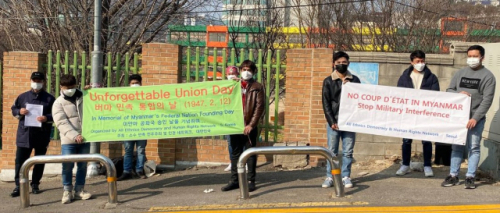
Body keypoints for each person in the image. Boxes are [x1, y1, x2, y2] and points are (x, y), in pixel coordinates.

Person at [442, 45, 496, 189]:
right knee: (456, 147)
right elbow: (449, 90)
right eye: (469, 56)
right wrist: (458, 95)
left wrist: (475, 118)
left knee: (474, 147)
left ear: (482, 58)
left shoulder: (488, 76)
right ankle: (453, 175)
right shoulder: (460, 73)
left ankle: (470, 177)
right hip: (458, 118)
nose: (471, 59)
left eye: (475, 56)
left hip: (475, 119)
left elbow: (487, 100)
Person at [221, 60, 265, 192]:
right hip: (235, 125)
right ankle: (235, 180)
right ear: (240, 71)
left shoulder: (257, 87)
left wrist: (251, 125)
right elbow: (222, 99)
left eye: (249, 70)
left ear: (253, 72)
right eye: (244, 69)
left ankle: (251, 180)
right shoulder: (235, 85)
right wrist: (230, 84)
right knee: (235, 154)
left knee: (250, 153)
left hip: (249, 126)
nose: (246, 72)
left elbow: (259, 107)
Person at [10, 72, 55, 197]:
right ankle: (19, 186)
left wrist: (46, 118)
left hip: (41, 134)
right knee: (20, 161)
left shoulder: (49, 98)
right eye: (34, 80)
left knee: (39, 161)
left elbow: (56, 114)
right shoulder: (22, 97)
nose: (37, 82)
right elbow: (13, 109)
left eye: (39, 80)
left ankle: (35, 184)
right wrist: (20, 111)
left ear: (43, 82)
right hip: (25, 134)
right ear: (30, 81)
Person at [395, 50, 439, 177]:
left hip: (425, 114)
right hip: (408, 114)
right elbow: (399, 95)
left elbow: (435, 95)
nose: (421, 63)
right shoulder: (404, 77)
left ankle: (427, 165)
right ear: (411, 62)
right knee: (407, 140)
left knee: (426, 140)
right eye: (418, 61)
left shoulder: (432, 77)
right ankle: (405, 165)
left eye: (422, 61)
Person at [321, 51, 361, 189]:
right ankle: (330, 176)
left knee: (348, 151)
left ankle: (345, 176)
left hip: (350, 122)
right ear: (334, 64)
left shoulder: (355, 80)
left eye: (344, 63)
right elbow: (326, 103)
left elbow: (360, 100)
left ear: (348, 63)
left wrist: (348, 85)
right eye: (338, 63)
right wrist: (331, 121)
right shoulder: (328, 81)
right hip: (334, 122)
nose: (341, 65)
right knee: (332, 151)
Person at [52, 74, 92, 204]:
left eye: (72, 86)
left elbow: (97, 106)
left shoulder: (84, 96)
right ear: (61, 87)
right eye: (66, 87)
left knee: (82, 166)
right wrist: (74, 135)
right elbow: (61, 122)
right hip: (69, 141)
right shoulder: (58, 103)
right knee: (67, 166)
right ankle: (67, 191)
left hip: (86, 138)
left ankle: (79, 189)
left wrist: (91, 92)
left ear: (76, 85)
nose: (70, 89)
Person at [118, 74, 148, 180]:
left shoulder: (146, 95)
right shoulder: (124, 95)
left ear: (141, 83)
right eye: (132, 83)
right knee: (128, 151)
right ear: (129, 84)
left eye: (136, 83)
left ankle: (139, 170)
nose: (134, 85)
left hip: (142, 127)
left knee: (141, 150)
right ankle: (127, 171)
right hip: (128, 128)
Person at [224, 66, 239, 172]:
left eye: (233, 73)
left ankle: (244, 162)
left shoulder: (241, 84)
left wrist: (240, 82)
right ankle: (232, 162)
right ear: (226, 75)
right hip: (228, 119)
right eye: (229, 74)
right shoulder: (222, 87)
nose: (231, 76)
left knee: (242, 142)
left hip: (240, 118)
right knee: (230, 142)